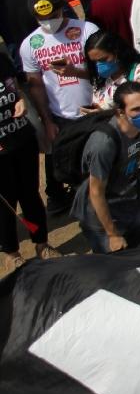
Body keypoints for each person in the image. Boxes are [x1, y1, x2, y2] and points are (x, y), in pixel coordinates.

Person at [73, 81, 140, 253]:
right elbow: (96, 192)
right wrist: (112, 235)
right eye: (136, 109)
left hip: (130, 201)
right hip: (101, 215)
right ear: (121, 112)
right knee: (115, 261)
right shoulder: (103, 143)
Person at [18, 0, 99, 137]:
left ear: (61, 8)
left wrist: (76, 72)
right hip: (62, 119)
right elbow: (36, 86)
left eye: (53, 16)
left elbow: (106, 71)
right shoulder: (29, 44)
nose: (49, 22)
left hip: (97, 111)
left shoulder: (88, 30)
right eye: (42, 19)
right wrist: (48, 121)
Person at [0, 50, 52, 267]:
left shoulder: (1, 59)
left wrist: (21, 99)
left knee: (30, 194)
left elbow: (16, 87)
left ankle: (42, 244)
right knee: (6, 202)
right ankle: (12, 253)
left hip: (22, 137)